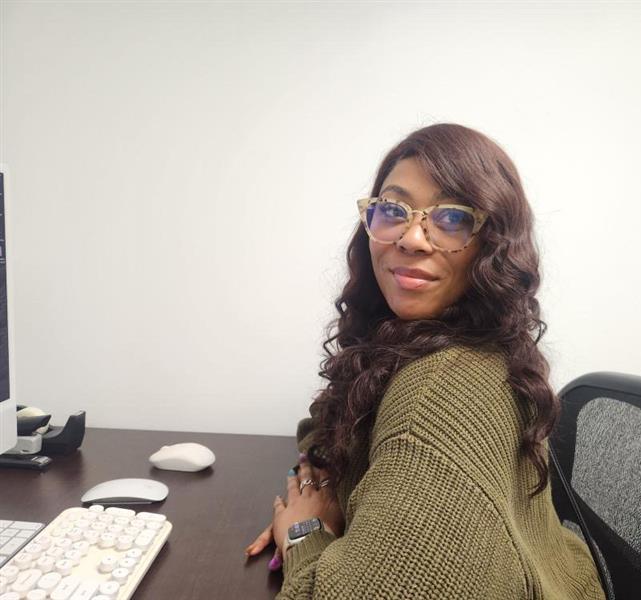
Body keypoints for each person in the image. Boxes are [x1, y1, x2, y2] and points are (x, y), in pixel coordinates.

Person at [245, 123, 605, 599]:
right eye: (393, 210)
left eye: (452, 218)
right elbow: (326, 418)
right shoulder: (418, 340)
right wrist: (323, 480)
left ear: (493, 243)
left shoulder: (439, 397)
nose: (412, 238)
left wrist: (304, 530)